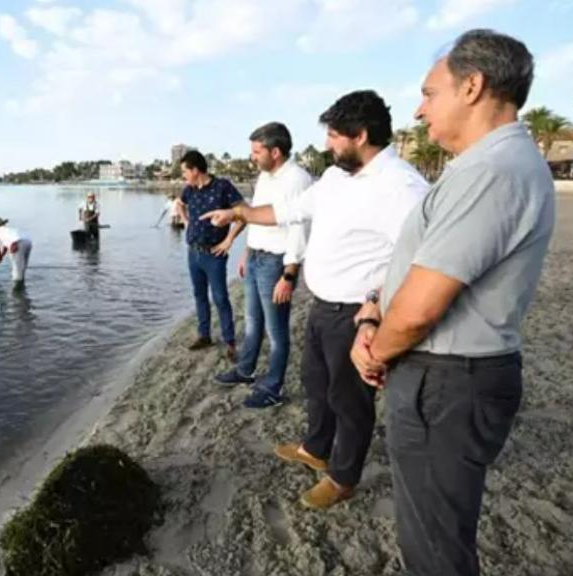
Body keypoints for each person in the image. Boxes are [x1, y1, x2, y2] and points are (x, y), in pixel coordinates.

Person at [350, 30, 554, 576]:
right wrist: (373, 309)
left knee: (435, 543)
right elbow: (413, 272)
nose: (419, 111)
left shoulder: (492, 171)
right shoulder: (482, 167)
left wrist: (375, 352)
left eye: (429, 93)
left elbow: (420, 308)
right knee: (431, 526)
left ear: (472, 86)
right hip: (445, 375)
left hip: (447, 380)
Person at [202, 92, 429, 507]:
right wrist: (238, 215)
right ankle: (317, 448)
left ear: (360, 136)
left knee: (351, 398)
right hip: (322, 304)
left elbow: (417, 263)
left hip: (357, 313)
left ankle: (344, 477)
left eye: (333, 135)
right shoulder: (336, 177)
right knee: (316, 383)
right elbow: (289, 211)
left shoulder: (403, 188)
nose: (326, 144)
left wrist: (374, 311)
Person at [214, 122, 313, 409]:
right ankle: (246, 370)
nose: (253, 157)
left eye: (257, 151)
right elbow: (255, 217)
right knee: (253, 321)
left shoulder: (297, 179)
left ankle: (273, 386)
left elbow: (299, 229)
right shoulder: (266, 176)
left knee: (276, 330)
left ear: (276, 151)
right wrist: (246, 252)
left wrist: (288, 275)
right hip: (257, 256)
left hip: (276, 262)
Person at [177, 150, 246, 360]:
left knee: (220, 297)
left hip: (214, 254)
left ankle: (230, 342)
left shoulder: (222, 187)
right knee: (199, 295)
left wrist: (229, 240)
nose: (183, 176)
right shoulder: (188, 189)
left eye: (184, 171)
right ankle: (204, 335)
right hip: (193, 253)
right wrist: (185, 221)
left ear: (195, 170)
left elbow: (244, 214)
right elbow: (179, 204)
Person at [0, 217, 33, 289]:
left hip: (16, 244)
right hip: (28, 242)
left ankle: (16, 295)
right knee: (22, 268)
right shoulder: (9, 230)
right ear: (3, 224)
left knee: (16, 270)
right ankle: (21, 285)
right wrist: (0, 257)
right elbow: (5, 247)